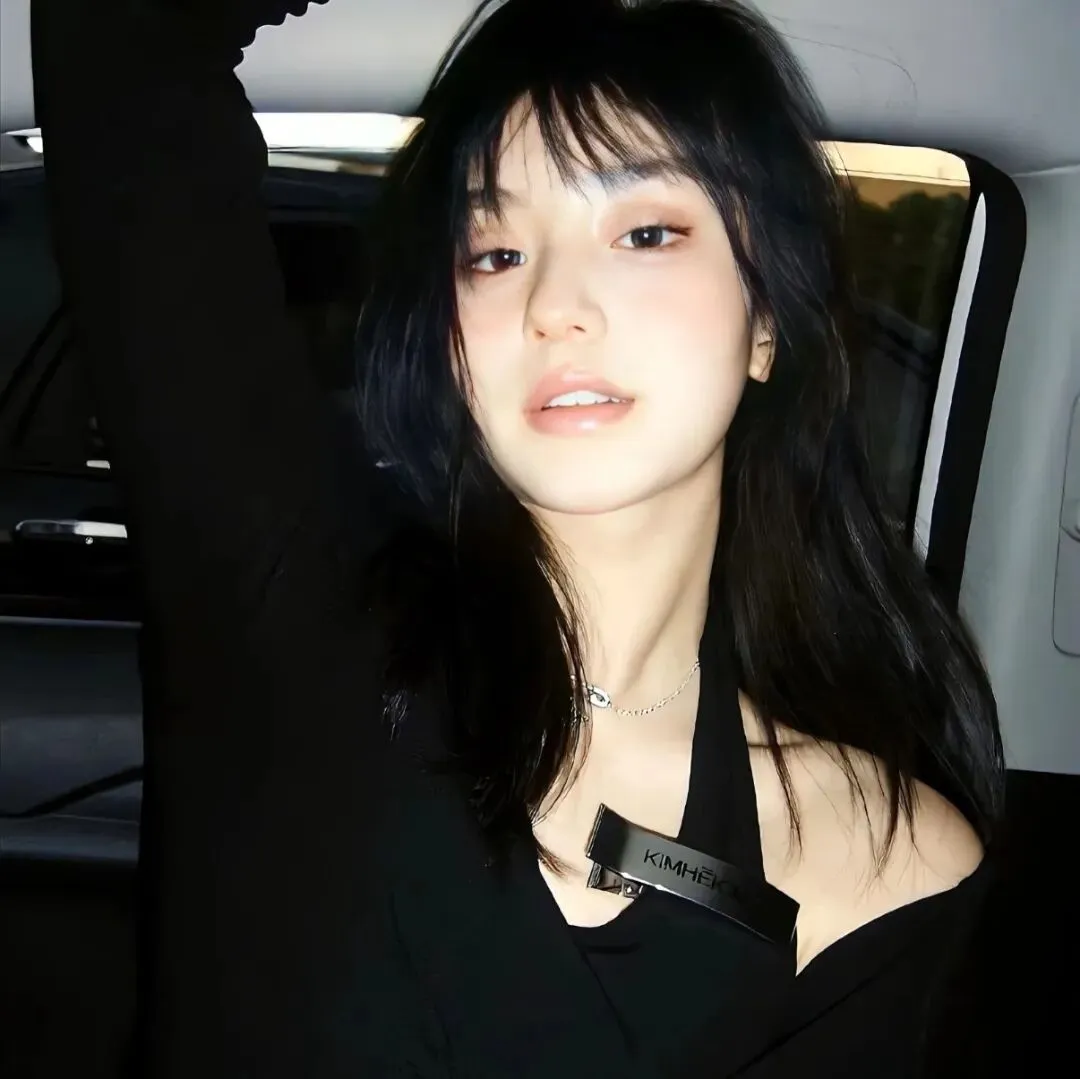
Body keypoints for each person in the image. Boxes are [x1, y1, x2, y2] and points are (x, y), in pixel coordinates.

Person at [34, 0, 1004, 1074]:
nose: (554, 304)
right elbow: (118, 39)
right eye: (495, 252)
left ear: (766, 319)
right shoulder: (299, 603)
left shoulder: (882, 854)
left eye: (644, 233)